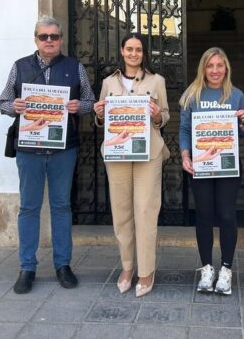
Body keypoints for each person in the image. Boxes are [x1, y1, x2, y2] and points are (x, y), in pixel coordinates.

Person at [0, 15, 95, 294]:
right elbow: (2, 100)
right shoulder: (20, 67)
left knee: (62, 206)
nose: (49, 41)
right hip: (29, 150)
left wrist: (80, 106)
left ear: (61, 39)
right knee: (29, 207)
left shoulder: (75, 67)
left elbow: (90, 100)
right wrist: (13, 106)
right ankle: (27, 267)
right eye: (44, 37)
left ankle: (63, 265)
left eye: (54, 36)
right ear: (36, 39)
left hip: (64, 148)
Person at [93, 33, 170, 297]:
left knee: (146, 212)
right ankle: (127, 267)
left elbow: (166, 116)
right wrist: (99, 115)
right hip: (117, 154)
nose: (134, 53)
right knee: (122, 212)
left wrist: (159, 115)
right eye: (129, 49)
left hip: (148, 154)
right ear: (122, 51)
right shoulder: (108, 82)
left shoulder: (156, 81)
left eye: (138, 49)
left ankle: (146, 271)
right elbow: (101, 118)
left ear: (143, 53)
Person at [179, 47, 244, 296]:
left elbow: (241, 133)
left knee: (227, 216)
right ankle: (207, 268)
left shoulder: (237, 95)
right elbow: (185, 129)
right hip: (201, 165)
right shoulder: (192, 94)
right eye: (210, 66)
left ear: (226, 68)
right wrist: (185, 155)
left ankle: (227, 269)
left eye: (220, 65)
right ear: (203, 68)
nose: (215, 70)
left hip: (228, 166)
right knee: (204, 216)